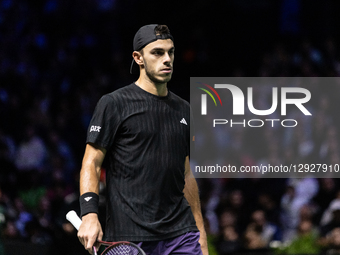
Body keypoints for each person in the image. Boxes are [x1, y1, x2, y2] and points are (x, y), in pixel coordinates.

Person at [77, 24, 208, 255]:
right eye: (157, 53)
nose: (167, 59)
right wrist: (89, 214)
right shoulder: (114, 103)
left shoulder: (184, 109)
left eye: (171, 52)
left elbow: (185, 173)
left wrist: (200, 230)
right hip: (130, 237)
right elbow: (92, 163)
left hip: (181, 234)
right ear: (138, 58)